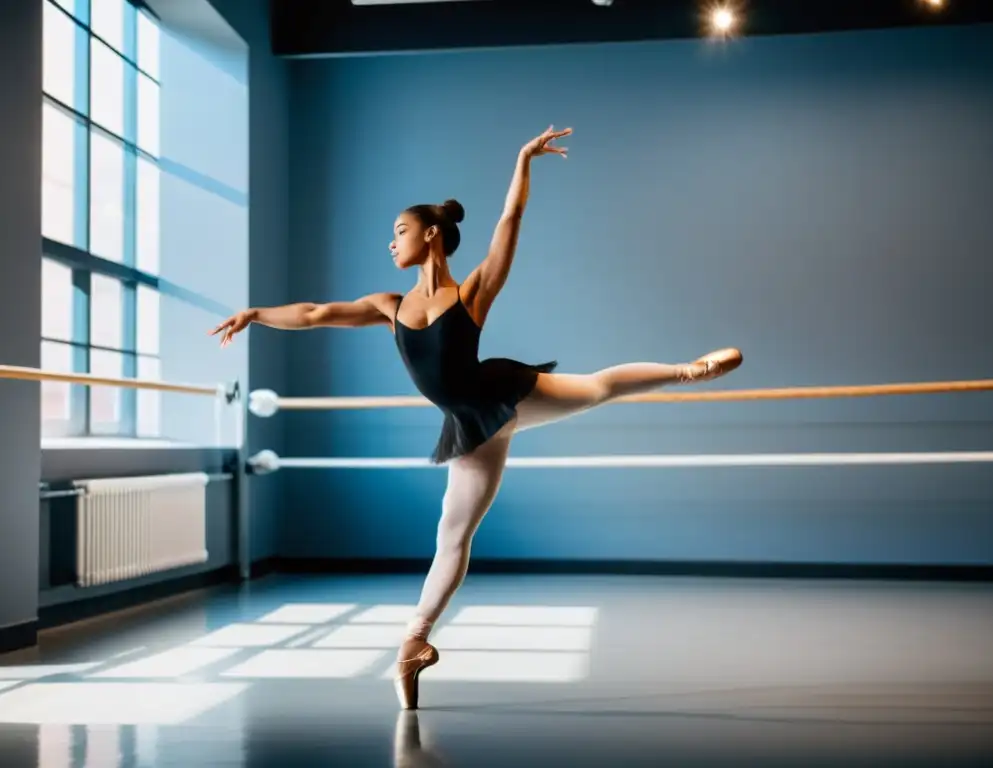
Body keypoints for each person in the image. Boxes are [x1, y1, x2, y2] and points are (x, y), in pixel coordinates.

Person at [210, 126, 743, 709]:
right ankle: (414, 646)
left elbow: (510, 221)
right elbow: (314, 313)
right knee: (452, 535)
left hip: (505, 393)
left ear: (431, 234)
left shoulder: (471, 295)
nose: (391, 243)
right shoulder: (389, 306)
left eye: (400, 232)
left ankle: (690, 371)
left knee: (597, 387)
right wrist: (256, 313)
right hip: (468, 427)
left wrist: (523, 160)